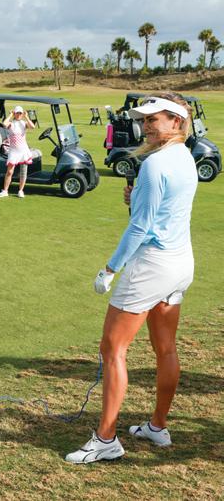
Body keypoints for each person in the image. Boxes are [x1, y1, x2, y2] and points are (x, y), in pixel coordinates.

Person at [65, 92, 198, 464]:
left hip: (152, 265)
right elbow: (161, 208)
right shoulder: (184, 156)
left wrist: (110, 269)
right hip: (180, 263)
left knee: (113, 349)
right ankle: (157, 426)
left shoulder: (155, 164)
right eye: (144, 120)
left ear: (176, 121)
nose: (146, 126)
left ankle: (106, 439)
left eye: (153, 119)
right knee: (165, 347)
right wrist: (137, 198)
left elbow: (140, 228)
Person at [0, 106, 35, 198]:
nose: (19, 115)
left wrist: (26, 117)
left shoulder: (23, 123)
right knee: (10, 171)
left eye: (20, 113)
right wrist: (10, 115)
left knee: (23, 172)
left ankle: (20, 191)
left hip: (23, 150)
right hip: (13, 151)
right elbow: (4, 124)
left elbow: (32, 126)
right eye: (17, 113)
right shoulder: (11, 123)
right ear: (15, 113)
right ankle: (5, 191)